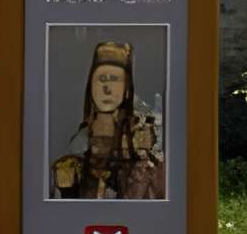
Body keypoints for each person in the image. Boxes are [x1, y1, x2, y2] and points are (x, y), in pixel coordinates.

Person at [50, 39, 165, 199]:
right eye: (102, 79)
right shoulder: (81, 143)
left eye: (114, 79)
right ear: (92, 87)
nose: (107, 87)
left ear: (126, 89)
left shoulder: (144, 140)